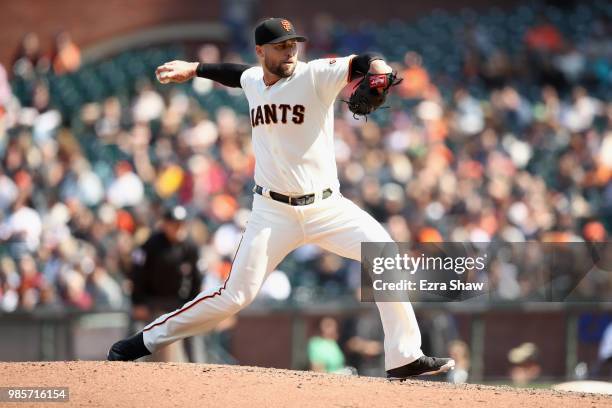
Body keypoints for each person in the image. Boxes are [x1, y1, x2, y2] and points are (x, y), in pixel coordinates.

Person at [108, 17, 454, 378]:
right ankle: (142, 342)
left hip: (326, 207)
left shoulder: (315, 74)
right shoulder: (254, 80)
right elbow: (232, 72)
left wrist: (379, 68)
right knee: (234, 296)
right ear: (260, 51)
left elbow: (362, 61)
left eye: (293, 44)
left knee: (383, 252)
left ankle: (403, 355)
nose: (291, 51)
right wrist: (193, 69)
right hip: (272, 213)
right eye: (281, 46)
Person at [129, 206, 202, 361]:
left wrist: (194, 304)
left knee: (192, 327)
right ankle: (133, 368)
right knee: (144, 335)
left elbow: (196, 278)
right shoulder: (151, 244)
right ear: (165, 224)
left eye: (181, 224)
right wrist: (138, 302)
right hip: (152, 301)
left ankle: (198, 368)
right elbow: (137, 273)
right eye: (175, 224)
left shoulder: (190, 246)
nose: (179, 228)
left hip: (179, 301)